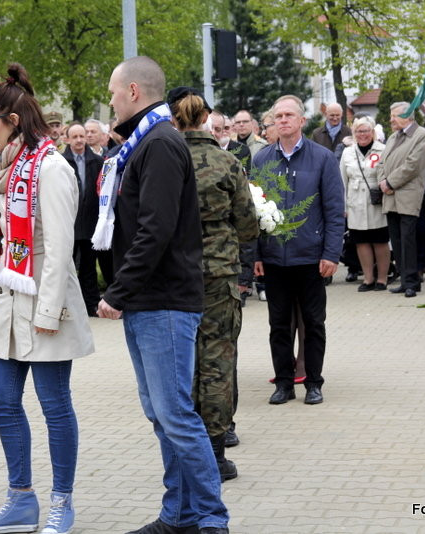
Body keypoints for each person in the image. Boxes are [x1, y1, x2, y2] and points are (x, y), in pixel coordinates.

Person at [96, 56, 229, 534]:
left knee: (176, 414)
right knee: (163, 415)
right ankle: (179, 514)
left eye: (112, 92)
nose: (109, 101)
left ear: (133, 91)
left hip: (165, 300)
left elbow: (155, 229)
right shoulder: (145, 143)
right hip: (150, 301)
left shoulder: (160, 143)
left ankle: (210, 518)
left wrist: (118, 291)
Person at [0, 63, 94, 534]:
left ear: (14, 121)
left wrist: (48, 311)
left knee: (53, 403)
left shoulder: (51, 167)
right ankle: (21, 498)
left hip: (46, 301)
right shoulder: (10, 168)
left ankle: (62, 502)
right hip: (11, 297)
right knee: (0, 396)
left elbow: (61, 250)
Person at [167, 86, 258, 483]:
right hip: (220, 275)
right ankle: (216, 455)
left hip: (175, 275)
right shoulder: (226, 162)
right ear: (207, 118)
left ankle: (186, 452)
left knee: (181, 363)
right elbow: (249, 224)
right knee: (217, 362)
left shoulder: (164, 161)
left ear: (175, 119)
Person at [253, 94, 345, 406]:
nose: (283, 121)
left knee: (314, 323)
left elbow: (334, 210)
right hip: (274, 258)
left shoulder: (322, 158)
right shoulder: (261, 160)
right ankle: (283, 383)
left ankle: (314, 383)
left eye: (289, 115)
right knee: (278, 325)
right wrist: (254, 255)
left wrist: (331, 253)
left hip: (311, 257)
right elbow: (252, 211)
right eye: (278, 117)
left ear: (302, 121)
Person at [377, 102, 425, 298]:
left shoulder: (422, 135)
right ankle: (404, 279)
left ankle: (412, 282)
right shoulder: (393, 137)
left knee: (408, 240)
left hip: (407, 196)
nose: (390, 119)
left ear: (408, 115)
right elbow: (381, 162)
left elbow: (413, 165)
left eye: (394, 116)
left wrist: (390, 183)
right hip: (390, 196)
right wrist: (383, 181)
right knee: (397, 240)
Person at [339, 116, 390, 291]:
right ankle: (368, 279)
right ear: (354, 133)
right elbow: (342, 181)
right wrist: (343, 206)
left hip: (376, 202)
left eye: (366, 131)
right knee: (361, 242)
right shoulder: (347, 152)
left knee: (380, 240)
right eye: (359, 131)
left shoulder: (383, 149)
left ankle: (382, 278)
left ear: (373, 132)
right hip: (355, 204)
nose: (363, 134)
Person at [63, 122, 105, 316]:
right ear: (67, 139)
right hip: (68, 223)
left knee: (89, 267)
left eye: (82, 136)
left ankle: (91, 304)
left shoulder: (97, 161)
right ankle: (67, 305)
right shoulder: (61, 162)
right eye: (75, 137)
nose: (80, 140)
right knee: (67, 266)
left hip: (90, 222)